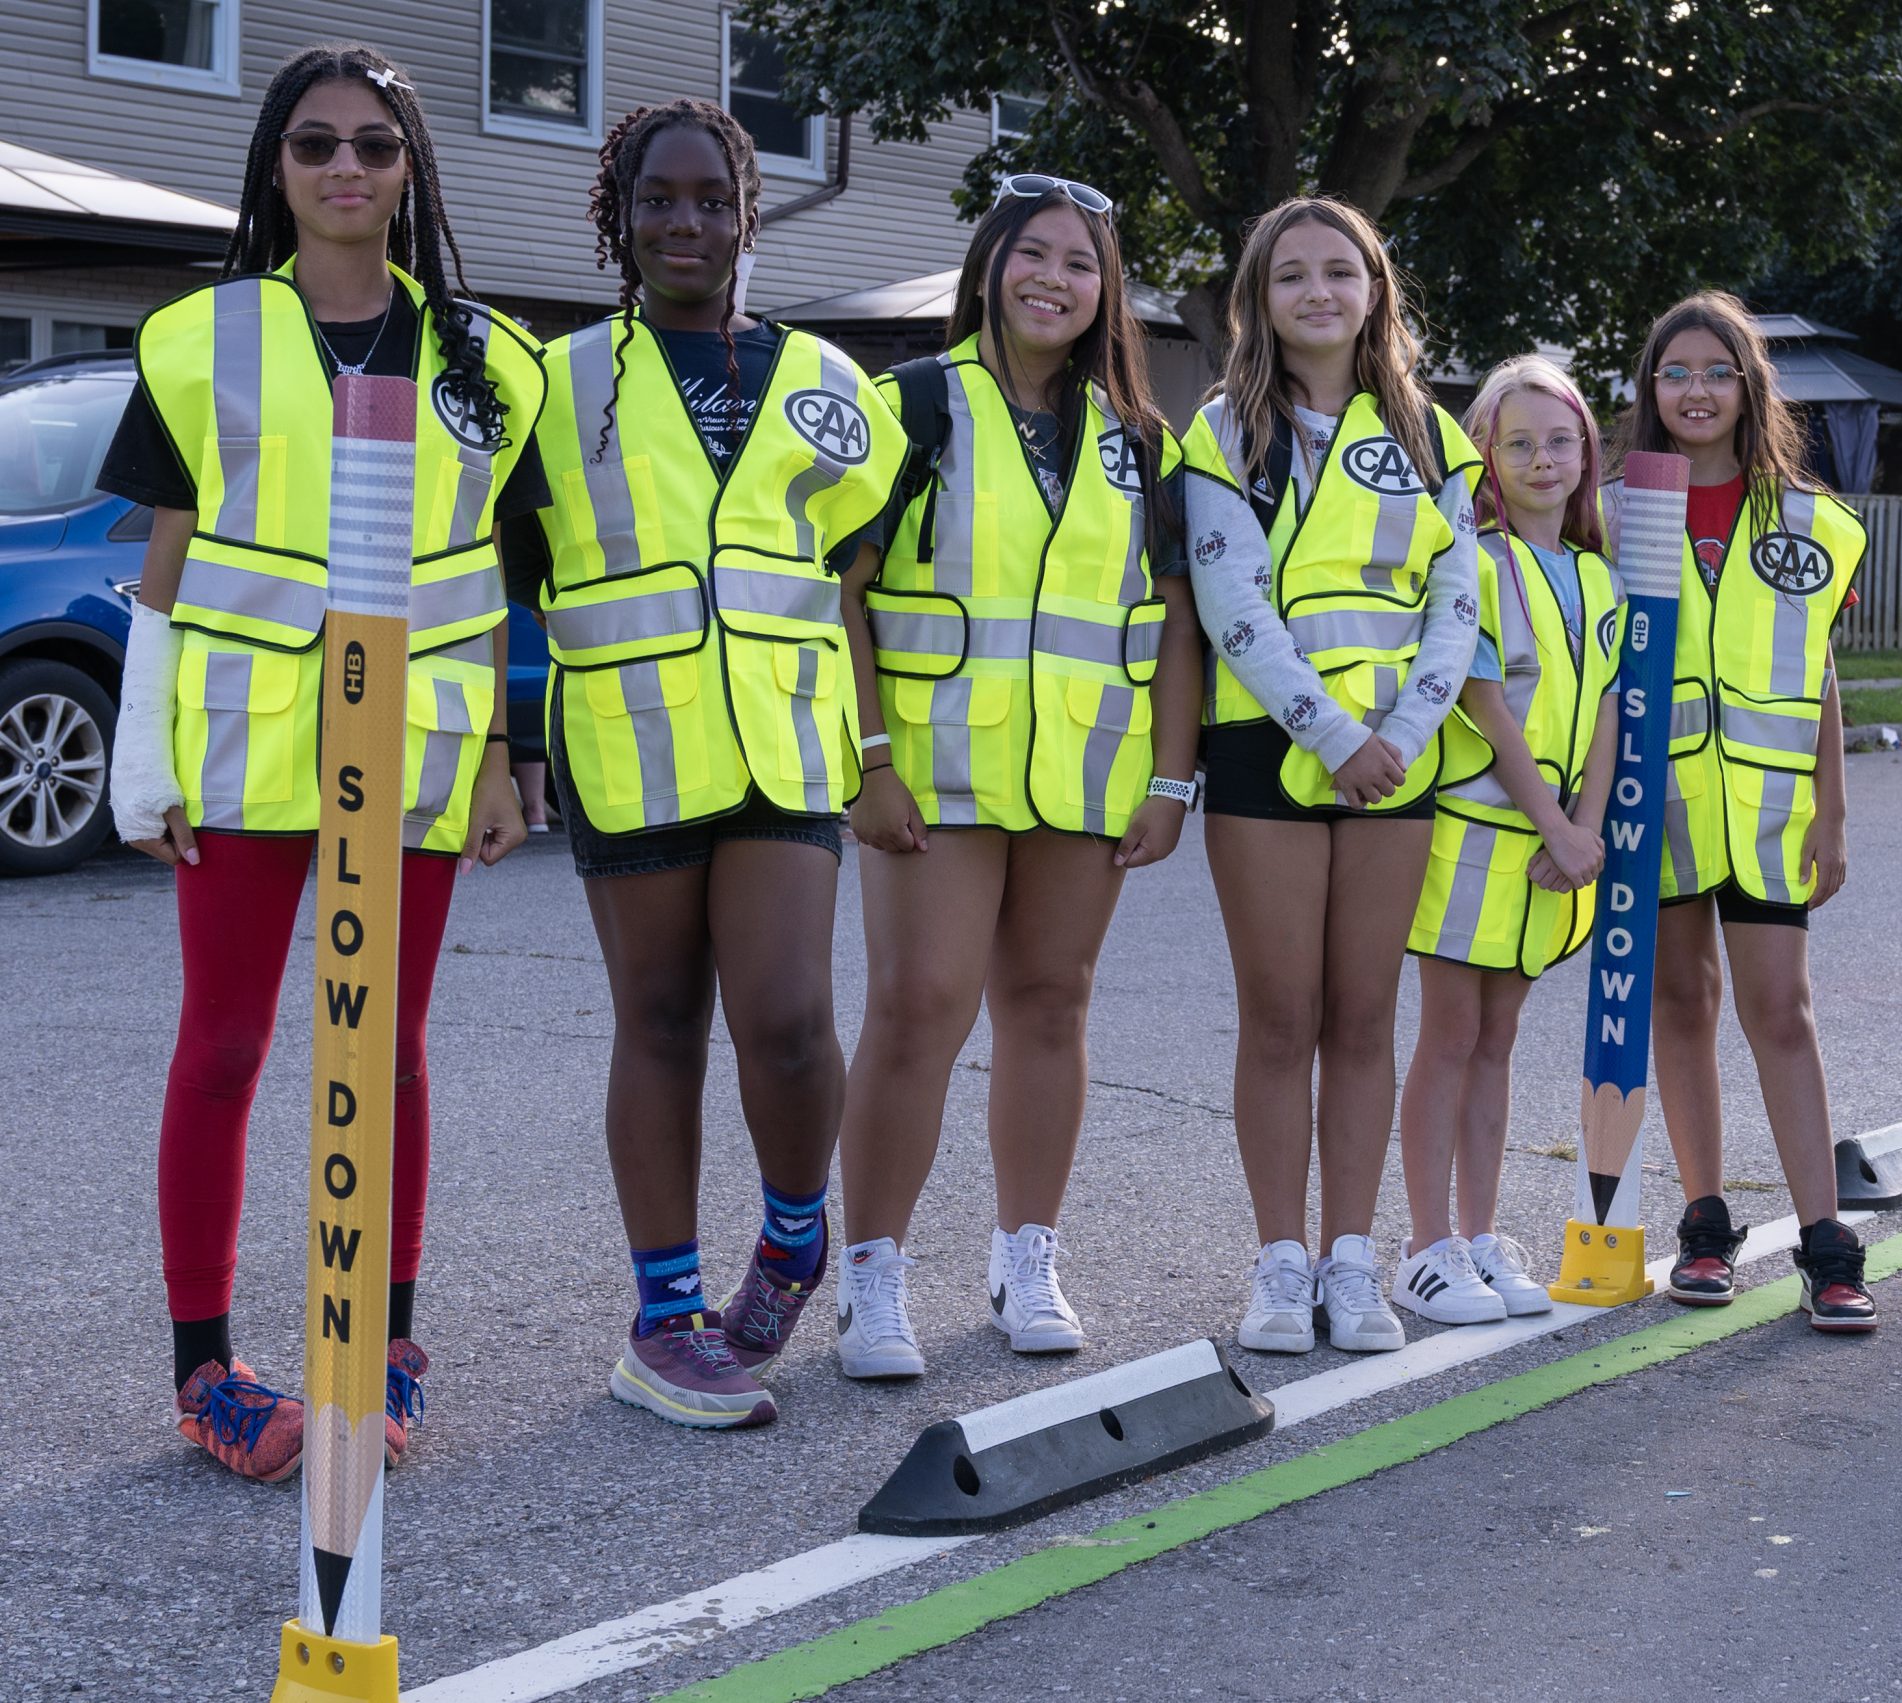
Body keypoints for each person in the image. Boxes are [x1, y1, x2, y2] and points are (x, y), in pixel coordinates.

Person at [102, 43, 544, 1479]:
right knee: (224, 1045)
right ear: (276, 169)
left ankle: (385, 1346)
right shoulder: (199, 337)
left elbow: (489, 582)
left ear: (412, 170)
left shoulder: (493, 363)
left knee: (392, 1047)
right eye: (315, 145)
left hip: (412, 751)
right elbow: (163, 575)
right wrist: (136, 763)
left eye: (375, 144)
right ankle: (207, 1375)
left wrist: (494, 757)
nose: (345, 168)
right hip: (241, 752)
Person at [514, 98, 904, 1428]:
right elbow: (520, 571)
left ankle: (794, 1237)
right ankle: (665, 1317)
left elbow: (862, 558)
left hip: (785, 743)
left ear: (749, 211)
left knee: (790, 1021)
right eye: (658, 200)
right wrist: (513, 746)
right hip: (629, 740)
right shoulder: (555, 383)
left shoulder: (829, 384)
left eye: (712, 198)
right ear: (617, 220)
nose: (687, 222)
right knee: (661, 1019)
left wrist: (876, 736)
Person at [831, 175, 1198, 1379]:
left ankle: (1023, 1255)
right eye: (1033, 255)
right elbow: (842, 593)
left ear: (1108, 295)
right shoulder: (915, 405)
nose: (1054, 278)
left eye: (1081, 264)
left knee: (1050, 1006)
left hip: (1085, 782)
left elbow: (1176, 623)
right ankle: (872, 1274)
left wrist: (1171, 781)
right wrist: (866, 758)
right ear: (989, 266)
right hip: (932, 773)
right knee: (919, 1006)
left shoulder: (1140, 442)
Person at [1182, 196, 1482, 1354]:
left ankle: (1352, 1261)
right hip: (1271, 747)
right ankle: (1278, 1264)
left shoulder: (1432, 437)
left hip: (1396, 759)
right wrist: (1331, 733)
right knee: (1280, 1017)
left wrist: (1400, 733)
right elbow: (1231, 604)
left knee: (1363, 1018)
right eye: (1291, 274)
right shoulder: (1220, 432)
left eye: (1339, 272)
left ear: (1374, 290)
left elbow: (1457, 605)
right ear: (1257, 297)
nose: (1318, 292)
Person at [1606, 292, 1875, 1332]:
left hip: (1768, 811)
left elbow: (1820, 674)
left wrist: (1834, 812)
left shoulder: (1807, 518)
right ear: (1650, 389)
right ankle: (1705, 1221)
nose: (1696, 390)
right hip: (1658, 801)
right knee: (1681, 1005)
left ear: (1749, 385)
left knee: (1782, 1013)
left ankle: (1825, 1239)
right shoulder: (1618, 506)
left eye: (1716, 370)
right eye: (1675, 372)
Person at [1396, 356, 1621, 1323]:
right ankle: (1424, 1245)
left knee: (1498, 1042)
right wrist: (1554, 824)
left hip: (1553, 847)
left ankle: (1480, 1235)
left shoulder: (1599, 575)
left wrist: (1589, 829)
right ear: (1484, 458)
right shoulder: (1474, 561)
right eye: (1517, 442)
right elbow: (1484, 702)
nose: (1541, 458)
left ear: (1585, 455)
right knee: (1448, 1038)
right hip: (1476, 837)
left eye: (1559, 440)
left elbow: (1611, 707)